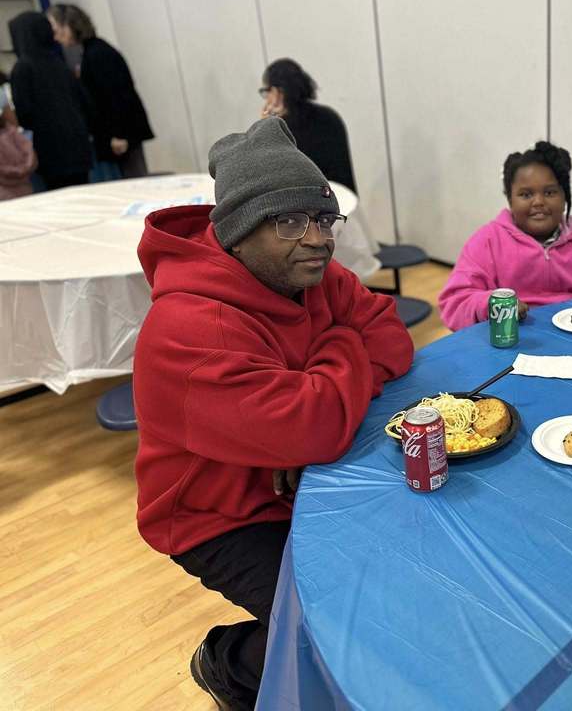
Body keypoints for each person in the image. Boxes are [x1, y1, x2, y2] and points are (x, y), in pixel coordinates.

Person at [132, 117, 413, 709]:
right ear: (236, 233)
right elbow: (315, 424)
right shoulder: (190, 328)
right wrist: (337, 349)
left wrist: (307, 425)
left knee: (407, 573)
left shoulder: (307, 275)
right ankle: (230, 664)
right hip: (218, 513)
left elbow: (393, 340)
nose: (316, 238)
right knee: (339, 627)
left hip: (297, 478)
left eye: (321, 218)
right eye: (287, 221)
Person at [438, 140, 572, 330]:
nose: (538, 202)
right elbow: (455, 303)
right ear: (510, 199)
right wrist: (489, 304)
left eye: (550, 192)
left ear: (565, 197)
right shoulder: (487, 241)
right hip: (512, 339)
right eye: (526, 195)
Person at [47, 4, 154, 178]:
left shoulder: (97, 54)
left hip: (121, 136)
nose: (55, 36)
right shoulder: (93, 51)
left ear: (68, 25)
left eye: (56, 29)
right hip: (120, 134)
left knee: (135, 181)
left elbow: (117, 96)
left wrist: (119, 135)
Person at [7, 11, 92, 190]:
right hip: (78, 145)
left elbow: (24, 113)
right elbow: (84, 101)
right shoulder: (59, 64)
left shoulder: (23, 68)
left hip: (51, 152)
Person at [259, 58, 356, 193]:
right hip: (345, 200)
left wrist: (265, 127)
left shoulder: (283, 132)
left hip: (313, 208)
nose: (266, 97)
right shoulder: (329, 116)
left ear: (277, 92)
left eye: (266, 91)